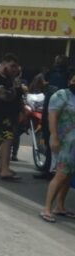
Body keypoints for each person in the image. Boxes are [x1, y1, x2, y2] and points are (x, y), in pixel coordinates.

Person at [40, 74, 75, 222]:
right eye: (73, 79)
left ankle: (60, 206)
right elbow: (52, 116)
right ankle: (47, 208)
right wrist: (54, 136)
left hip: (73, 144)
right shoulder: (61, 95)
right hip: (63, 142)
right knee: (61, 174)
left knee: (68, 175)